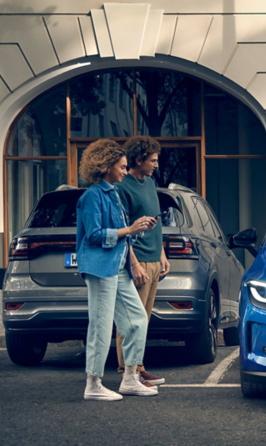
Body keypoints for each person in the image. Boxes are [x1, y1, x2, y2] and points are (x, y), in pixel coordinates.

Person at [76, 139, 158, 401]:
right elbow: (95, 236)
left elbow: (121, 234)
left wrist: (138, 229)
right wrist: (130, 229)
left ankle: (131, 378)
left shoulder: (112, 193)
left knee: (136, 320)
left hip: (118, 266)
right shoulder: (91, 196)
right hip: (101, 269)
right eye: (121, 167)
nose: (125, 171)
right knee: (100, 326)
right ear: (106, 166)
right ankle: (93, 383)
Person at [114, 136, 168, 385]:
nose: (156, 164)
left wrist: (162, 254)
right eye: (153, 160)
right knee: (131, 319)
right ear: (139, 159)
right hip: (138, 262)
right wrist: (134, 263)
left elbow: (155, 223)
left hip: (153, 260)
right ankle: (128, 370)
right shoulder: (122, 187)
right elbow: (122, 228)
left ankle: (138, 366)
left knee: (144, 319)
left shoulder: (149, 183)